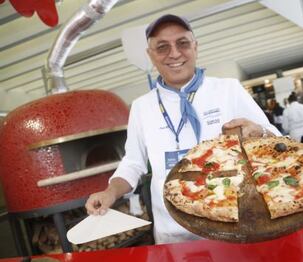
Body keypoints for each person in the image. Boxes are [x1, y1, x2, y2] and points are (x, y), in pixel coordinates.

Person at [85, 14, 281, 244]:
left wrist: (260, 133)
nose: (175, 53)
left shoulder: (228, 89)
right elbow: (133, 163)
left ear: (196, 47)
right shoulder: (141, 107)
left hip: (233, 225)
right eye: (162, 47)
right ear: (151, 55)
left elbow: (277, 141)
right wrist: (110, 192)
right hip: (174, 233)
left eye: (183, 43)